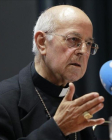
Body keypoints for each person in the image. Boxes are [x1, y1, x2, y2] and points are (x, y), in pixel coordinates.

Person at [0, 5, 105, 140]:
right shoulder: (4, 101)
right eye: (73, 40)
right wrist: (58, 128)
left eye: (89, 43)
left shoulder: (74, 102)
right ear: (42, 42)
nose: (83, 51)